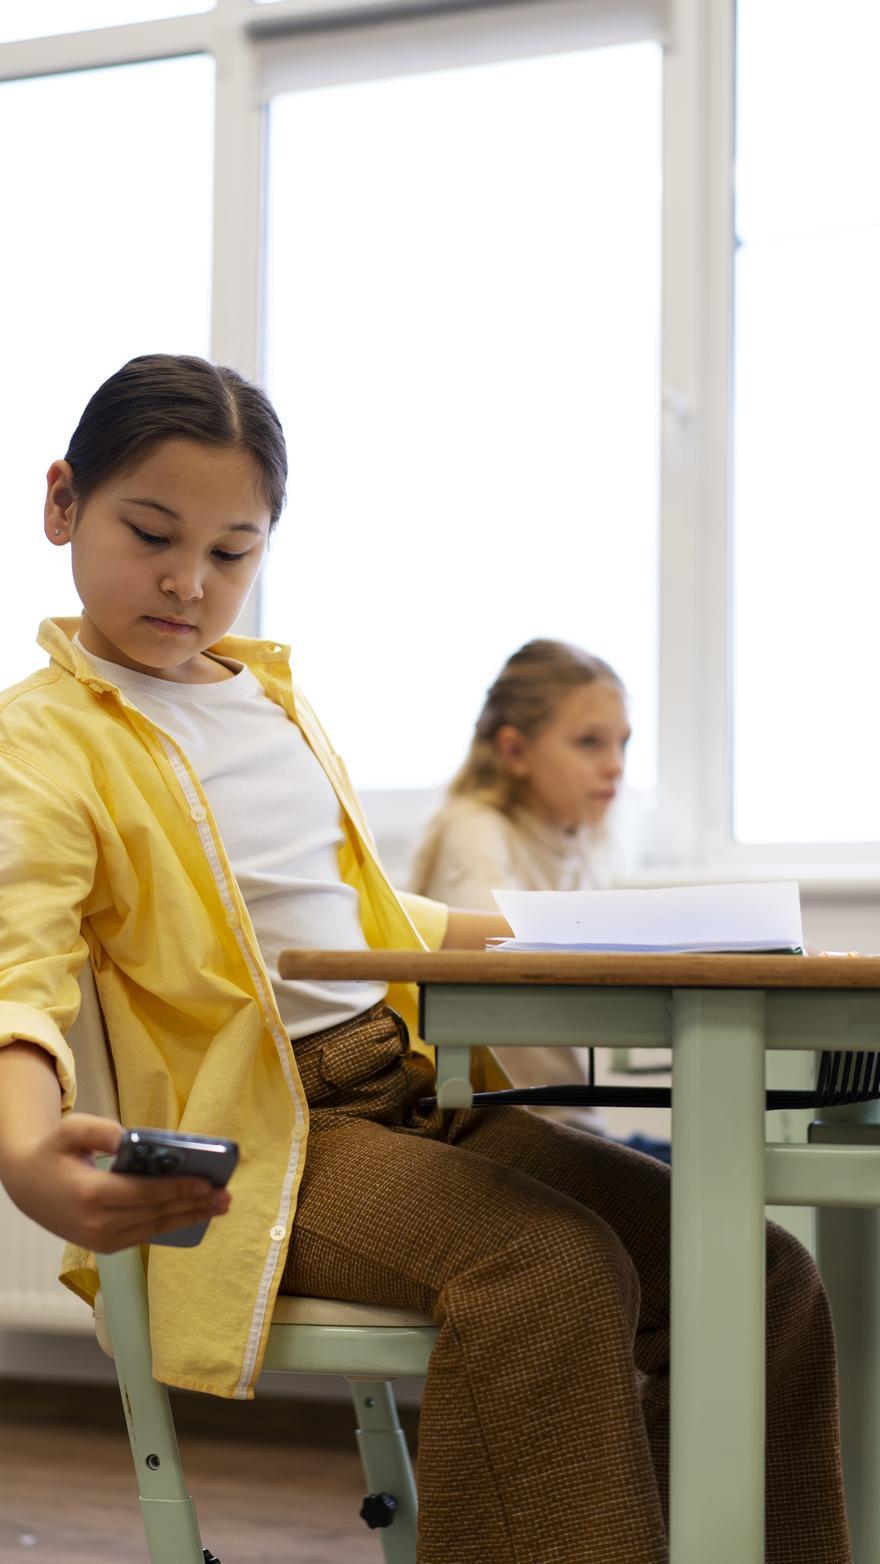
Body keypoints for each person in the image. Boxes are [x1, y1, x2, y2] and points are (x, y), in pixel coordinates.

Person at [0, 356, 849, 1564]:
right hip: (286, 1135)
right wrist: (29, 1154)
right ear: (62, 504)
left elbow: (356, 903)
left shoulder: (268, 697)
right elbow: (14, 971)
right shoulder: (42, 741)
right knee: (546, 1267)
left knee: (758, 1276)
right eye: (152, 533)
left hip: (414, 1092)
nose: (190, 582)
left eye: (233, 552)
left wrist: (595, 935)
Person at [411, 640, 667, 1152]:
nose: (615, 765)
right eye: (590, 742)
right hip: (506, 1131)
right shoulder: (476, 831)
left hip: (570, 1120)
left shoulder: (583, 841)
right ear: (514, 751)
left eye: (623, 744)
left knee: (720, 1163)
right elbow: (497, 968)